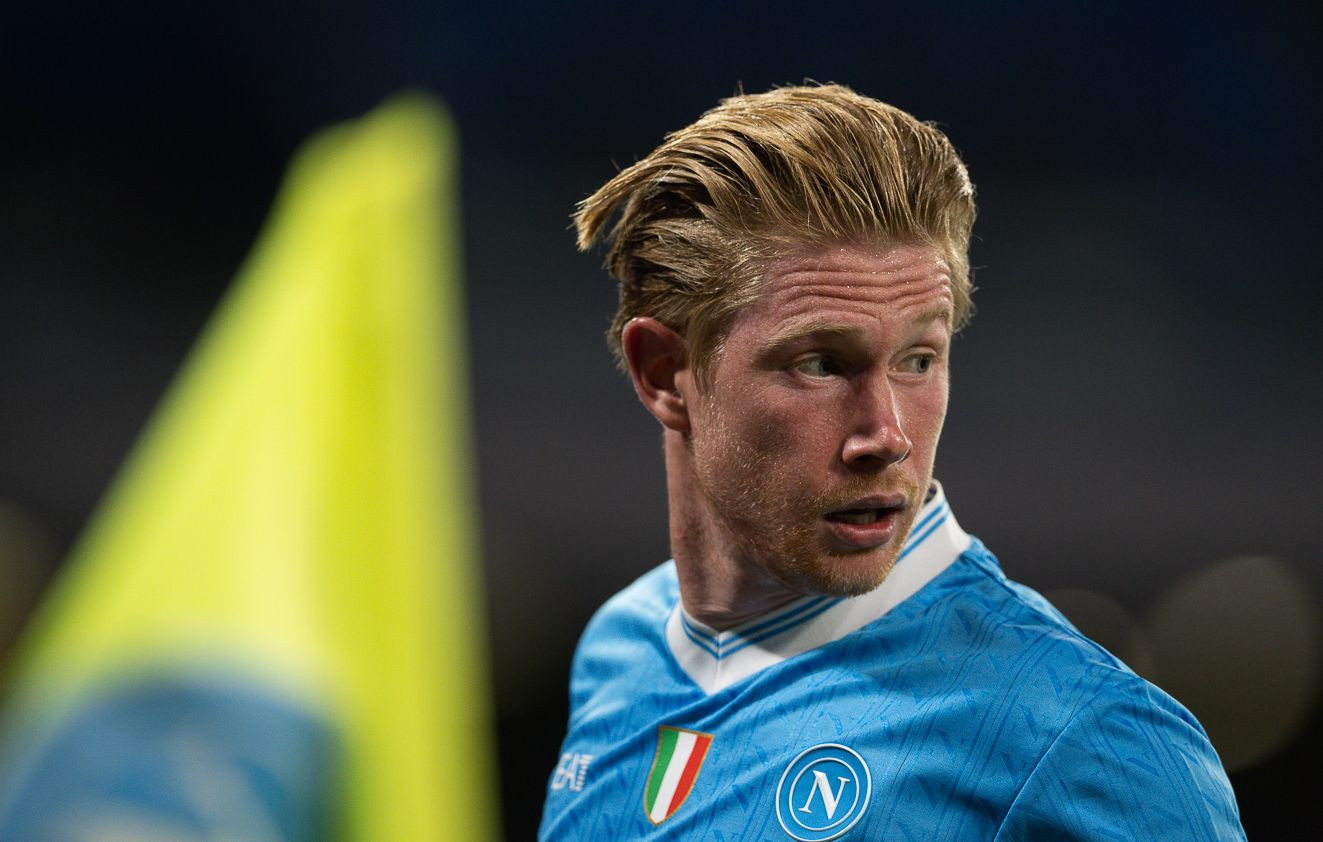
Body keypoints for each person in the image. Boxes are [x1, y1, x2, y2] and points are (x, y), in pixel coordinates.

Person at [540, 84, 1243, 841]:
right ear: (663, 373)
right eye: (820, 363)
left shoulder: (1083, 738)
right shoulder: (620, 649)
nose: (887, 434)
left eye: (917, 359)